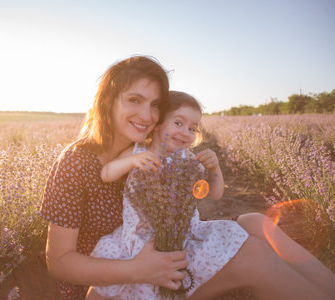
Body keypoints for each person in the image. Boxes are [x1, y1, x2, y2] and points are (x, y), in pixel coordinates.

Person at [40, 56, 335, 300]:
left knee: (254, 222)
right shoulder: (77, 162)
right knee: (254, 255)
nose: (147, 115)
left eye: (155, 104)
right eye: (134, 99)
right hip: (116, 276)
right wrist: (138, 270)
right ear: (107, 101)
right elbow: (59, 263)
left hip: (162, 248)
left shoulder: (159, 151)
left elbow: (193, 197)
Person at [88, 91, 249, 299]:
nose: (186, 132)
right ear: (157, 123)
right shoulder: (138, 151)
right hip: (139, 235)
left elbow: (215, 195)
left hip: (180, 237)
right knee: (104, 287)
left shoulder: (188, 159)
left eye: (192, 128)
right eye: (178, 123)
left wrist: (214, 168)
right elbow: (106, 174)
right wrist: (131, 162)